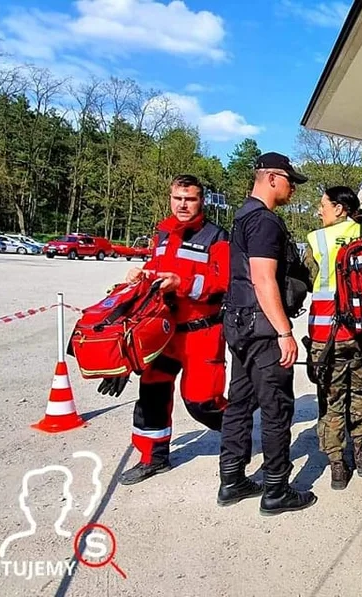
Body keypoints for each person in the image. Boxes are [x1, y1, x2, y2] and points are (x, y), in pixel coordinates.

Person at [106, 174, 231, 487]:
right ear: (170, 198)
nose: (183, 205)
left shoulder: (216, 236)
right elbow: (157, 271)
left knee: (202, 403)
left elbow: (224, 283)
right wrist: (141, 275)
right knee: (152, 394)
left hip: (202, 333)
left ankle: (237, 434)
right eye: (178, 198)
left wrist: (183, 285)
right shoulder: (162, 233)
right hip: (163, 331)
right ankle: (153, 458)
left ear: (202, 200)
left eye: (190, 199)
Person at [218, 152, 317, 515]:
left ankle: (231, 480)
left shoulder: (243, 215)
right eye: (291, 181)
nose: (293, 189)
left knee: (240, 403)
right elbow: (262, 278)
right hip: (262, 328)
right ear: (273, 178)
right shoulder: (264, 222)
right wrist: (284, 331)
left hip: (239, 324)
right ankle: (276, 489)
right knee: (276, 408)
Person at [304, 186, 362, 490]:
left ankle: (337, 467)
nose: (320, 211)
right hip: (360, 332)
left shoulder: (316, 240)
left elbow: (307, 279)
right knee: (358, 393)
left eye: (324, 205)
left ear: (340, 208)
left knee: (331, 399)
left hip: (325, 333)